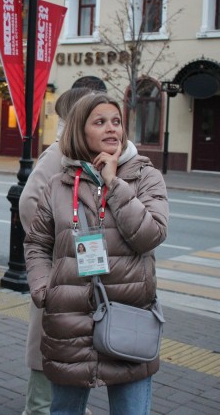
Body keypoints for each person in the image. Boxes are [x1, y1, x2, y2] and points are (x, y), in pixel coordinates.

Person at [24, 93, 169, 415]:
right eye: (100, 122)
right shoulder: (58, 185)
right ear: (80, 130)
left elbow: (150, 236)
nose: (111, 129)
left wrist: (114, 183)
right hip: (69, 318)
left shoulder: (146, 177)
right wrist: (44, 290)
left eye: (116, 122)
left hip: (129, 315)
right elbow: (36, 243)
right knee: (64, 410)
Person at [19, 87, 94, 415]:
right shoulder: (58, 153)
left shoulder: (88, 154)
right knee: (47, 340)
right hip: (58, 267)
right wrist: (59, 241)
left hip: (83, 269)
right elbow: (28, 203)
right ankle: (38, 408)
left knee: (75, 343)